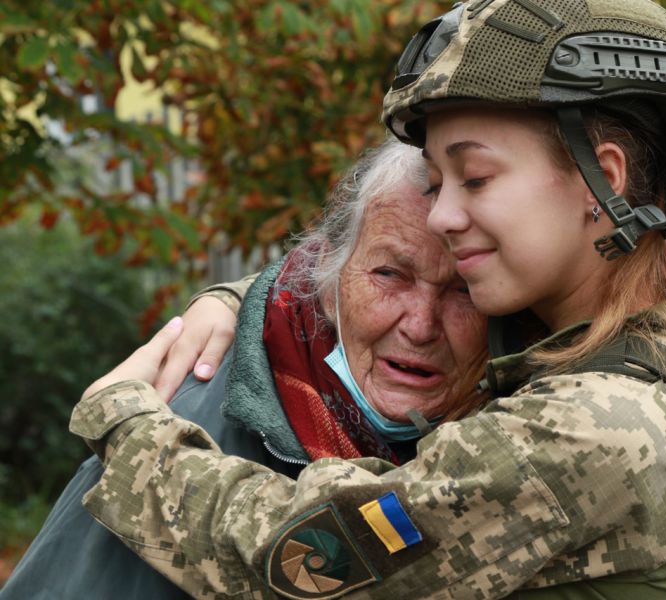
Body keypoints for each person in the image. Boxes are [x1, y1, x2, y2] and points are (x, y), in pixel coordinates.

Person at [62, 1, 666, 598]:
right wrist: (232, 302)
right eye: (437, 183)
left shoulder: (588, 427)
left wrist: (123, 422)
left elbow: (300, 557)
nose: (441, 215)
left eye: (474, 178)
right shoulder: (661, 352)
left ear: (602, 180)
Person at [0, 140, 488, 598]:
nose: (421, 326)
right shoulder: (171, 427)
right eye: (389, 275)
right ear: (328, 278)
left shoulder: (511, 415)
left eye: (463, 290)